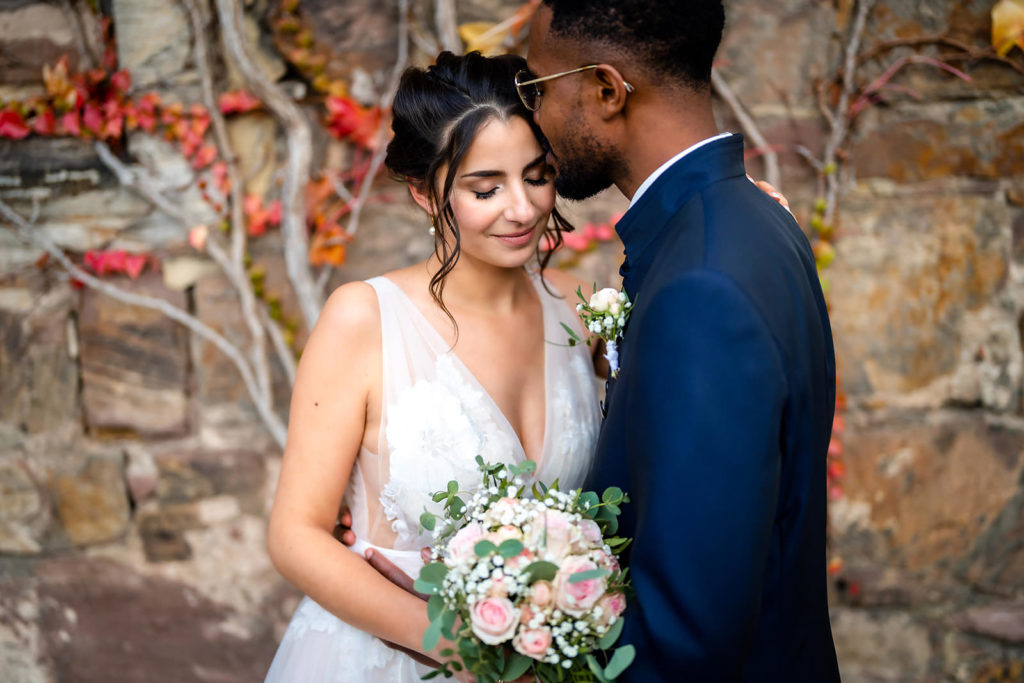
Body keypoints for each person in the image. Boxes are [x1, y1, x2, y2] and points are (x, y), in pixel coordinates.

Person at [522, 0, 841, 680]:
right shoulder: (754, 221)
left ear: (606, 91)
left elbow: (683, 639)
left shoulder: (702, 284)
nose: (534, 117)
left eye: (539, 89)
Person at [263, 51, 603, 682]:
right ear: (424, 193)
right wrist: (465, 648)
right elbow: (296, 534)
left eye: (537, 176)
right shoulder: (365, 318)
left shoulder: (575, 317)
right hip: (387, 660)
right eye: (485, 188)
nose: (524, 209)